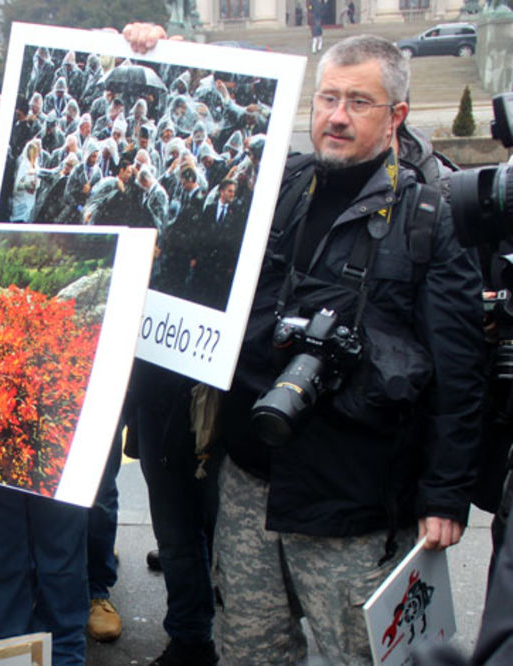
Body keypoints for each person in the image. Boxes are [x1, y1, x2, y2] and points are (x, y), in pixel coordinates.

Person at [211, 35, 484, 664]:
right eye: (328, 98)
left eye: (359, 102)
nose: (336, 116)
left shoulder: (432, 214)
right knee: (250, 652)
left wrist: (444, 495)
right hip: (252, 485)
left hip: (355, 502)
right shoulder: (278, 188)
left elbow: (458, 369)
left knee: (357, 657)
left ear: (397, 116)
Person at [0, 108, 98, 662]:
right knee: (4, 560)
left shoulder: (61, 202)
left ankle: (67, 656)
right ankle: (15, 655)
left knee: (60, 559)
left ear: (9, 148)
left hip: (56, 422)